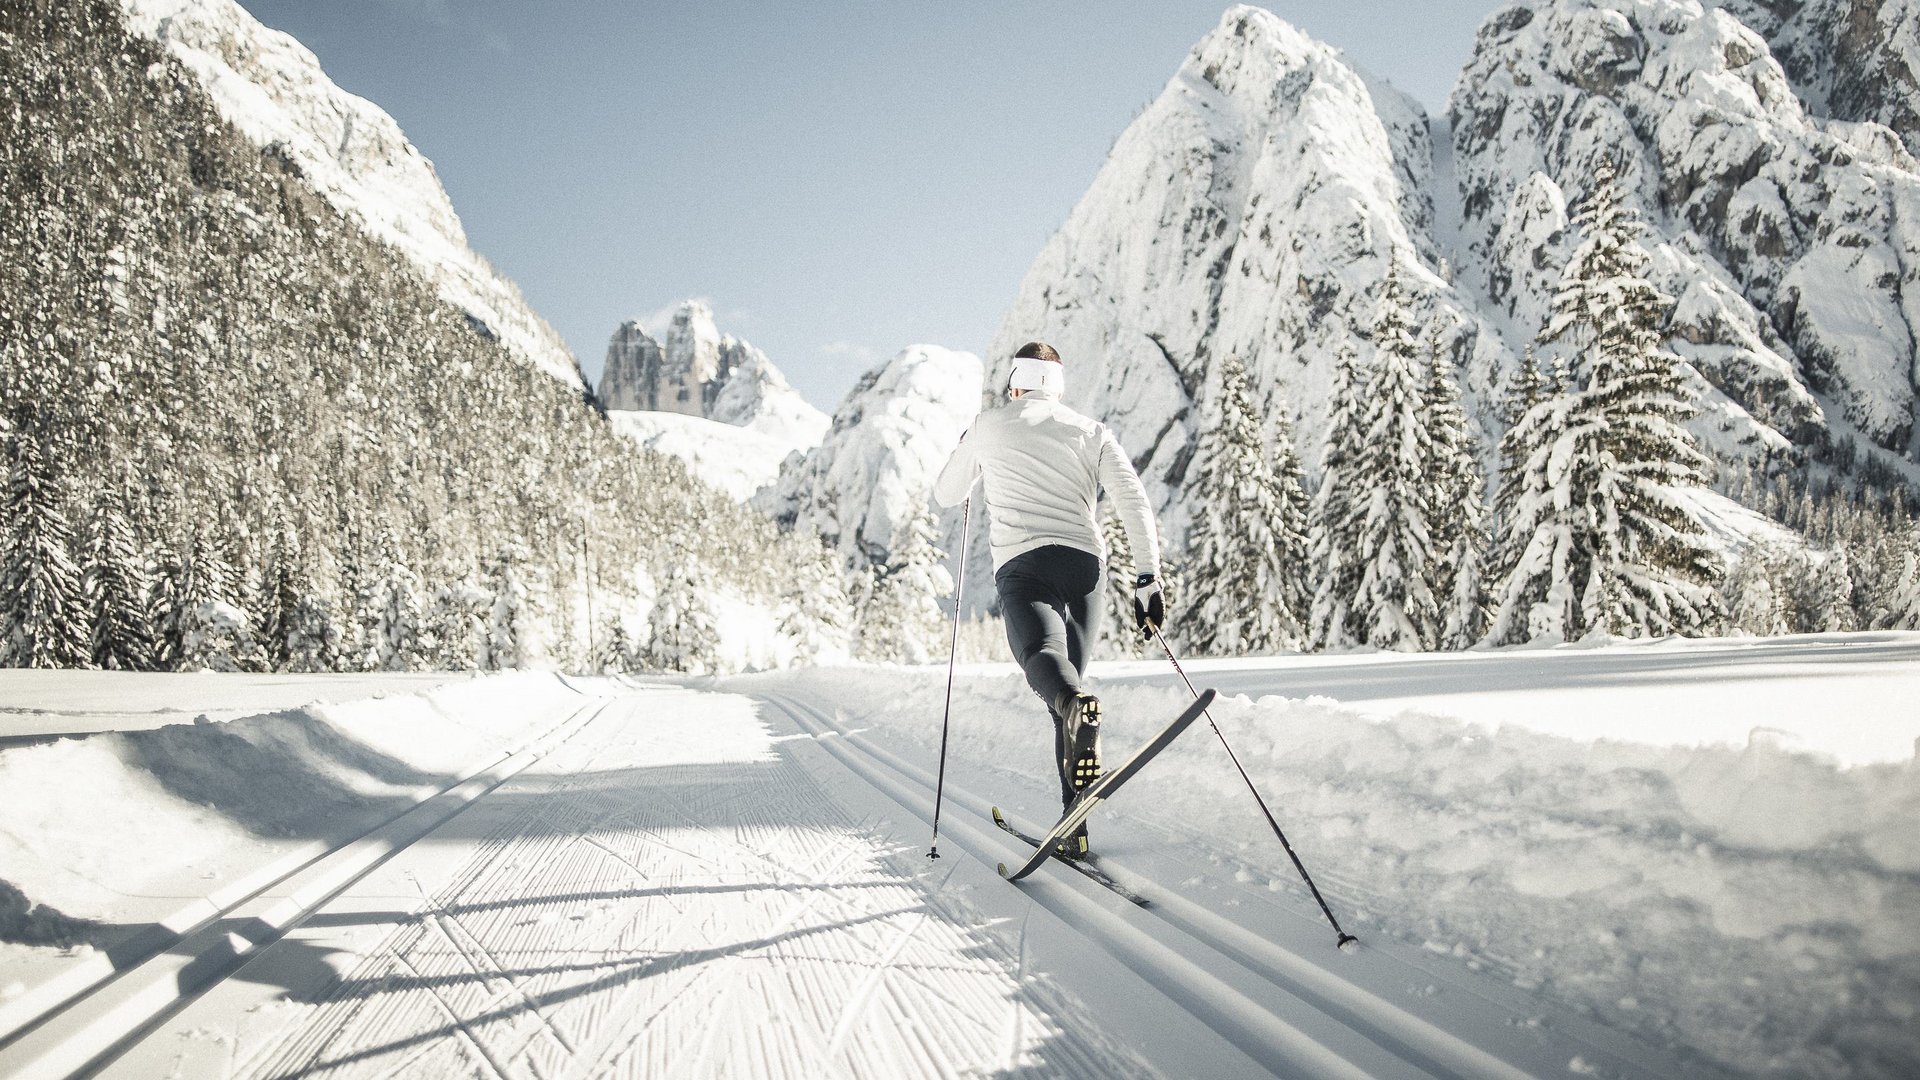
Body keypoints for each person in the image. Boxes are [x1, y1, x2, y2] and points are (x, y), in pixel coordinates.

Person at [932, 341, 1166, 858]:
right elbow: (1133, 500)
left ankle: (1074, 788)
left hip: (1025, 567)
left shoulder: (990, 423)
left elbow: (947, 493)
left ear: (1015, 382)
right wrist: (1148, 578)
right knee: (1070, 691)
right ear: (1057, 385)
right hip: (1085, 567)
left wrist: (971, 443)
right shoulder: (1090, 431)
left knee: (1048, 669)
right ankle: (1073, 823)